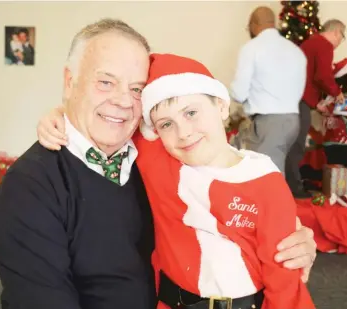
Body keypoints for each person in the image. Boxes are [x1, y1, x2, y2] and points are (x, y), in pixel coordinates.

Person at [38, 53, 316, 309]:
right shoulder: (159, 160)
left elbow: (284, 284)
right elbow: (105, 121)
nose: (183, 133)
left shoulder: (265, 182)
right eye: (166, 124)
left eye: (191, 113)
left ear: (220, 106)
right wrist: (61, 114)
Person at [0, 19, 156, 309]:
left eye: (137, 89)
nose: (123, 101)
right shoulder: (31, 186)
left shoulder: (147, 162)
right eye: (106, 82)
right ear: (70, 82)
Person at [230, 6, 307, 177]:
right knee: (268, 172)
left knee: (268, 178)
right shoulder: (295, 51)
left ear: (254, 24)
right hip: (292, 120)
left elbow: (238, 93)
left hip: (270, 122)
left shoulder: (252, 48)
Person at [285, 19, 346, 198]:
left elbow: (310, 76)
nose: (339, 43)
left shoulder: (311, 43)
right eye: (342, 37)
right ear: (337, 32)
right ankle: (294, 189)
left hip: (296, 98)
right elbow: (323, 76)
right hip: (299, 101)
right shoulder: (324, 45)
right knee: (296, 146)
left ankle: (292, 185)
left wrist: (317, 103)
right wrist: (336, 92)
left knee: (292, 145)